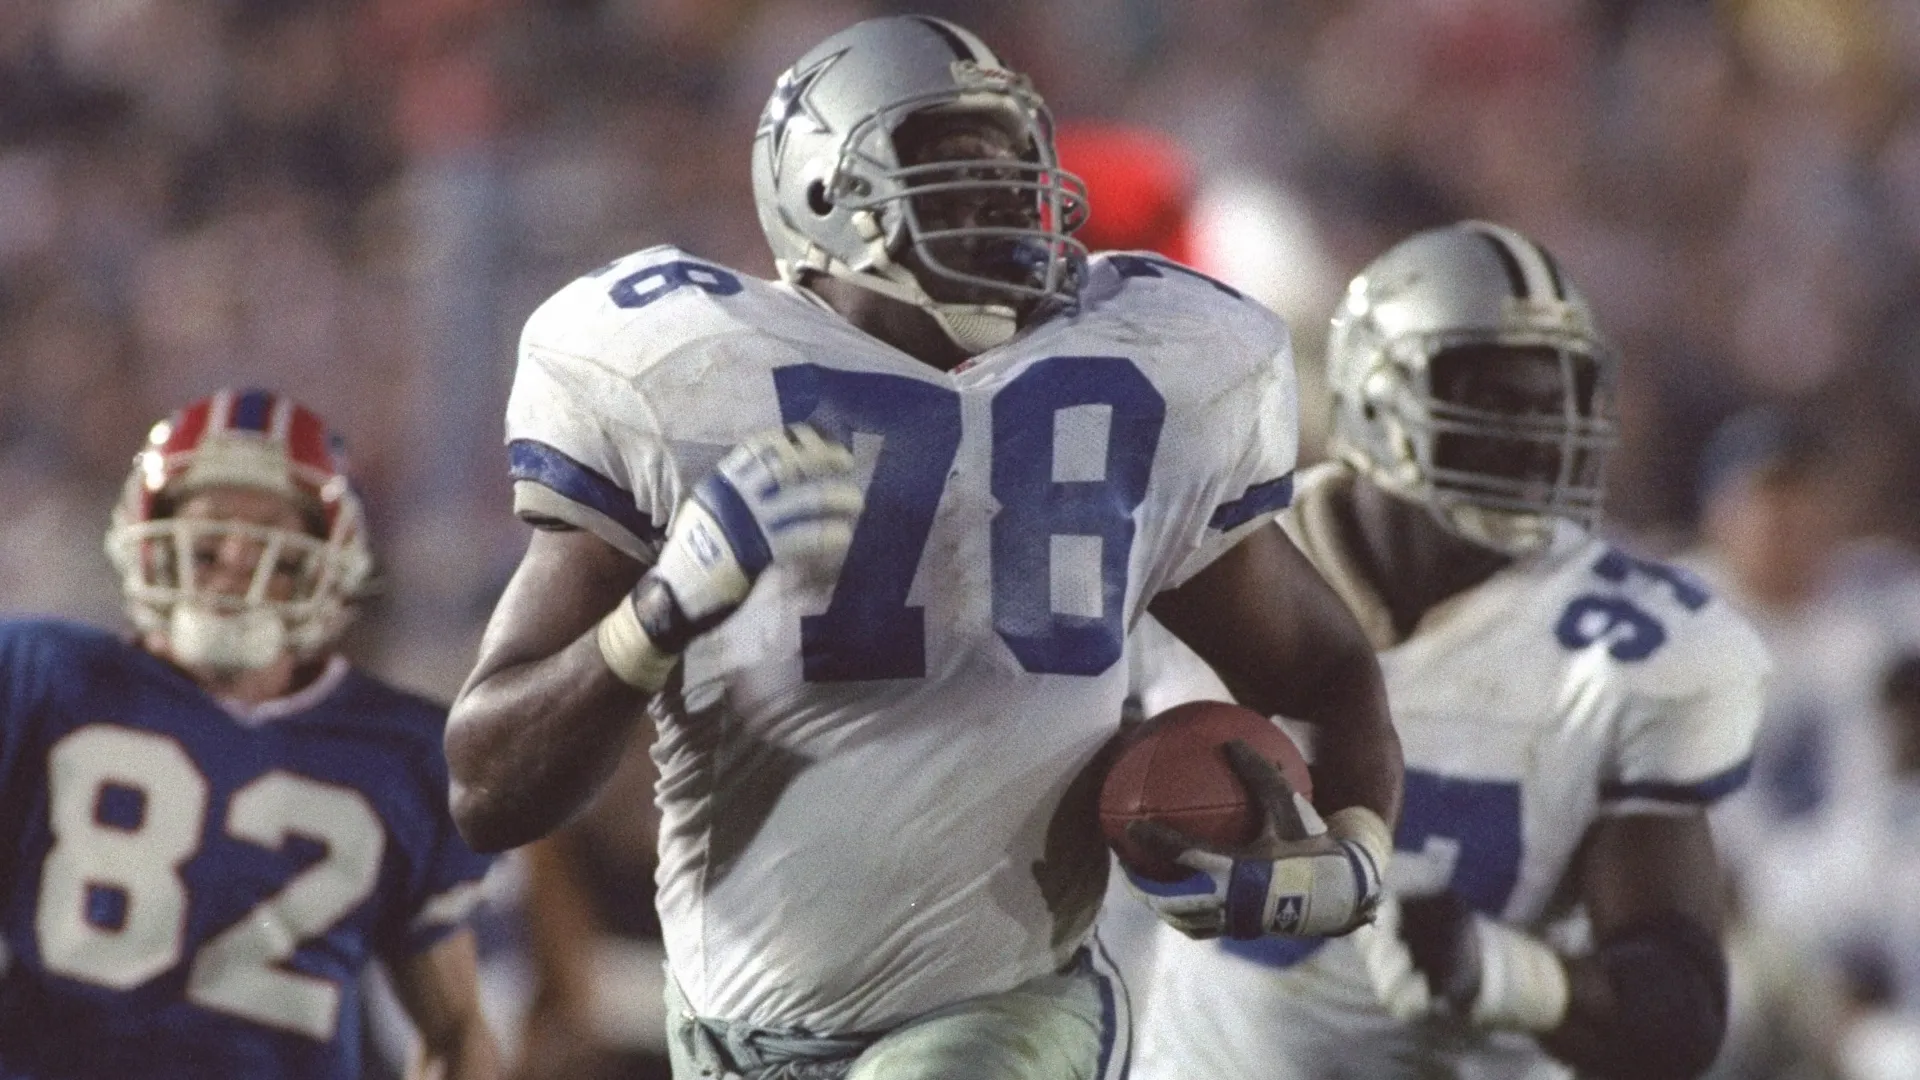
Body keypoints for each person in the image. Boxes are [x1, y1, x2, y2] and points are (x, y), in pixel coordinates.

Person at [444, 14, 1403, 1080]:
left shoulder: (1131, 386)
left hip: (1011, 1013)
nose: (1008, 196)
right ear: (822, 195)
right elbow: (489, 790)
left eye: (1015, 165)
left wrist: (1352, 856)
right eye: (955, 167)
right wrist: (658, 615)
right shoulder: (686, 375)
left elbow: (1327, 670)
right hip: (731, 1033)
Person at [1127, 221, 1768, 1080]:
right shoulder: (1211, 554)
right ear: (1378, 393)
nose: (1541, 435)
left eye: (1559, 400)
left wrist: (1509, 977)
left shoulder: (1631, 647)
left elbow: (1681, 1014)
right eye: (1498, 399)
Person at [0, 388, 502, 1079]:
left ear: (326, 558)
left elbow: (456, 1032)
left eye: (270, 529)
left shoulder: (405, 753)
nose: (236, 556)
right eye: (210, 530)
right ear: (150, 531)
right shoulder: (39, 677)